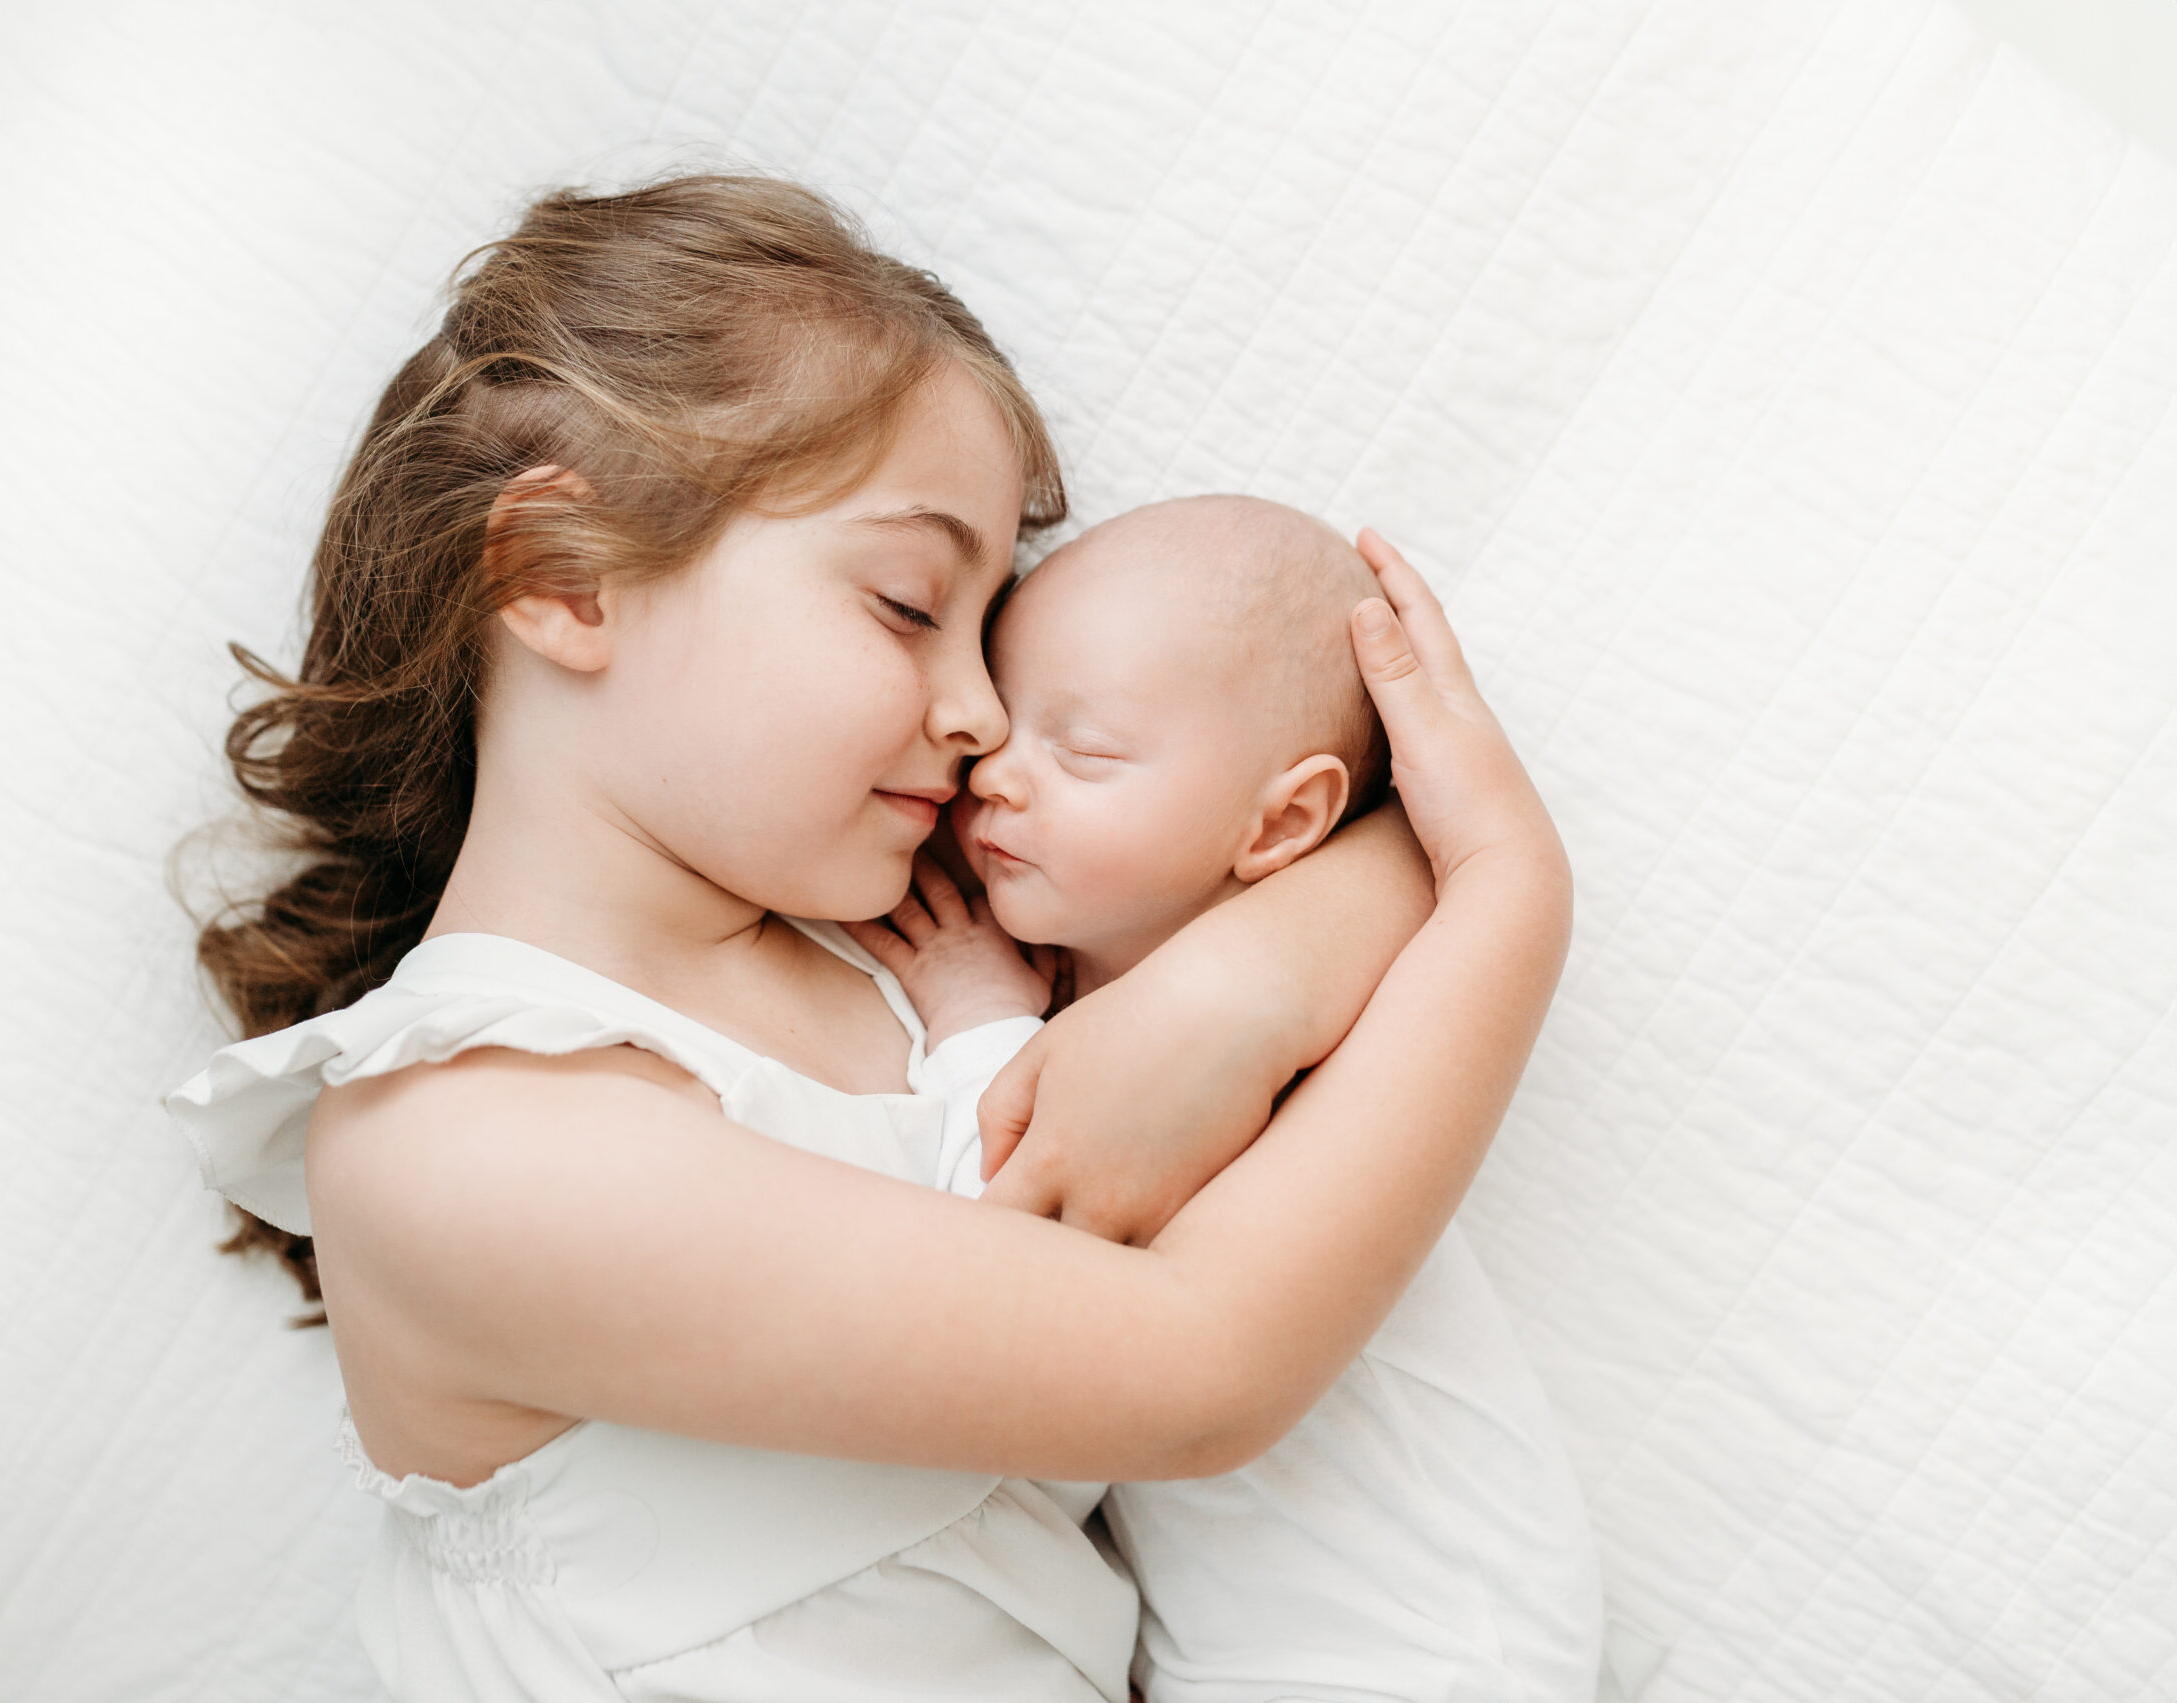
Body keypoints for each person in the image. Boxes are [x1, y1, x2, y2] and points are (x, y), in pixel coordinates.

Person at [166, 172, 1573, 1701]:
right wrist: (1506, 889)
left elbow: (1254, 841)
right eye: (909, 605)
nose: (978, 718)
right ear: (565, 576)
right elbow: (1201, 1369)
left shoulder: (915, 940)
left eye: (992, 634)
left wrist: (1237, 975)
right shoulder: (460, 1142)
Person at [857, 495, 1601, 1702]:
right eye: (1002, 726)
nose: (997, 773)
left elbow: (1016, 1238)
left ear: (1285, 821)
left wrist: (974, 1022)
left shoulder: (1303, 1047)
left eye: (1082, 750)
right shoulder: (1146, 988)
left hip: (1423, 1657)